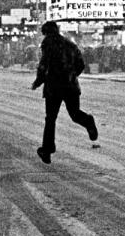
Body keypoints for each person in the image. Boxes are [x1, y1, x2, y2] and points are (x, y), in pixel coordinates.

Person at [31, 21, 97, 164]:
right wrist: (71, 76)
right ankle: (88, 122)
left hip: (54, 87)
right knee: (75, 113)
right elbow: (81, 64)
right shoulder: (70, 44)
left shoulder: (48, 43)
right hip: (71, 86)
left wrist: (38, 81)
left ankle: (47, 150)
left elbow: (44, 65)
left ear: (46, 32)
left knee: (50, 119)